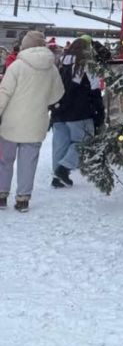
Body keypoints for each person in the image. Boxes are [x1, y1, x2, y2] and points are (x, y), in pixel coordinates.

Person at [0, 29, 65, 211]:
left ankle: (1, 195)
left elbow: (4, 93)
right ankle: (23, 200)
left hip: (11, 124)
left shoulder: (17, 66)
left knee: (5, 160)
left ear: (25, 46)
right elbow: (57, 95)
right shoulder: (51, 69)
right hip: (36, 123)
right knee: (28, 163)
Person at [50, 37, 106, 187]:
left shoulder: (60, 62)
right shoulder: (87, 66)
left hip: (58, 110)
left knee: (60, 144)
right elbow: (95, 92)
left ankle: (57, 177)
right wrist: (100, 114)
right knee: (83, 142)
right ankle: (64, 168)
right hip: (79, 112)